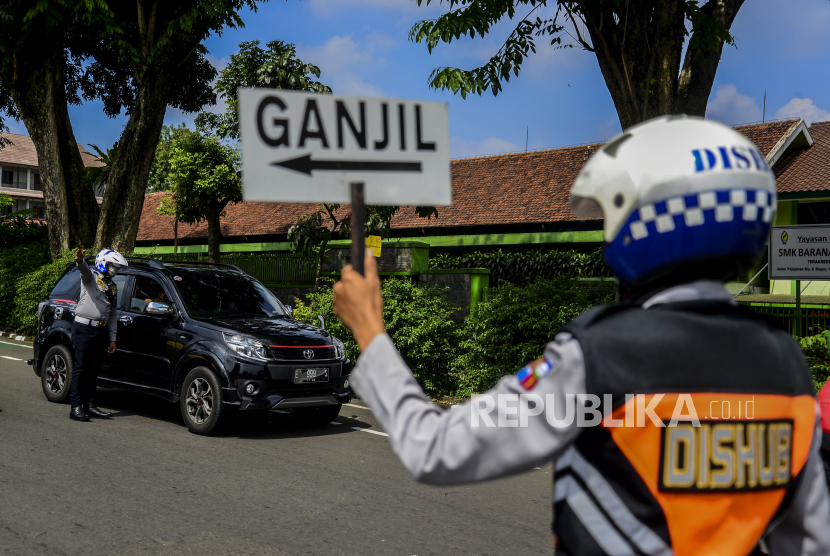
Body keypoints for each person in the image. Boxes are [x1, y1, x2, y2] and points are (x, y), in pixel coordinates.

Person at [333, 116, 830, 554]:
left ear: (652, 224)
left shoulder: (602, 355)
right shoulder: (784, 366)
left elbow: (434, 448)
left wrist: (371, 331)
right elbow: (812, 539)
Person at [70, 248, 128, 421]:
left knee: (93, 370)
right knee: (80, 368)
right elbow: (85, 272)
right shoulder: (91, 279)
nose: (115, 270)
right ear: (103, 263)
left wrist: (113, 339)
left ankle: (90, 405)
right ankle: (75, 408)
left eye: (116, 267)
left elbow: (113, 314)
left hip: (100, 331)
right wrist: (80, 262)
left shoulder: (112, 287)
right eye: (112, 265)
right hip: (84, 328)